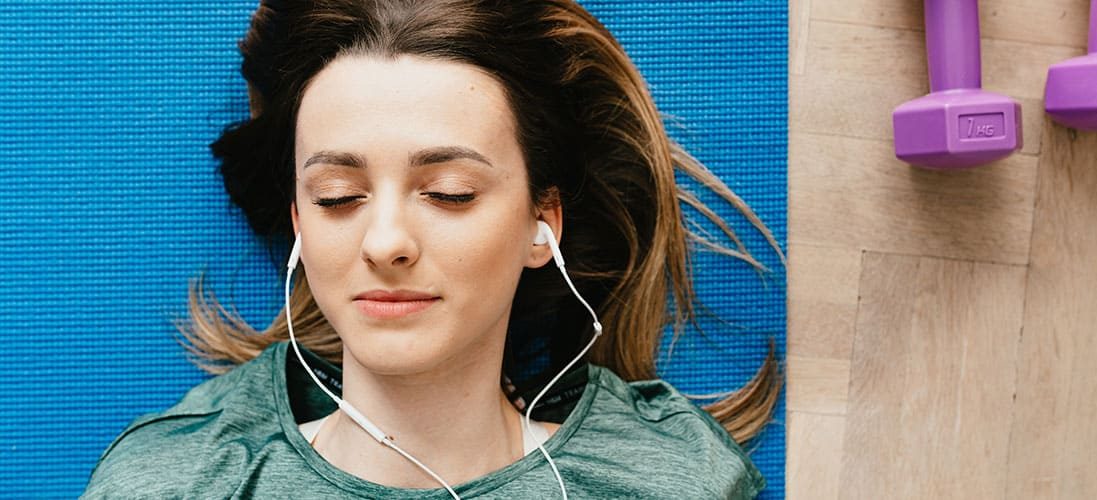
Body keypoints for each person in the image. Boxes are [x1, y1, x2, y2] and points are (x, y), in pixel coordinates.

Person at [82, 0, 784, 498]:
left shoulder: (666, 481)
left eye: (449, 192)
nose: (386, 242)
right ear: (299, 223)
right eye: (337, 196)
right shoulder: (177, 481)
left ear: (542, 223)